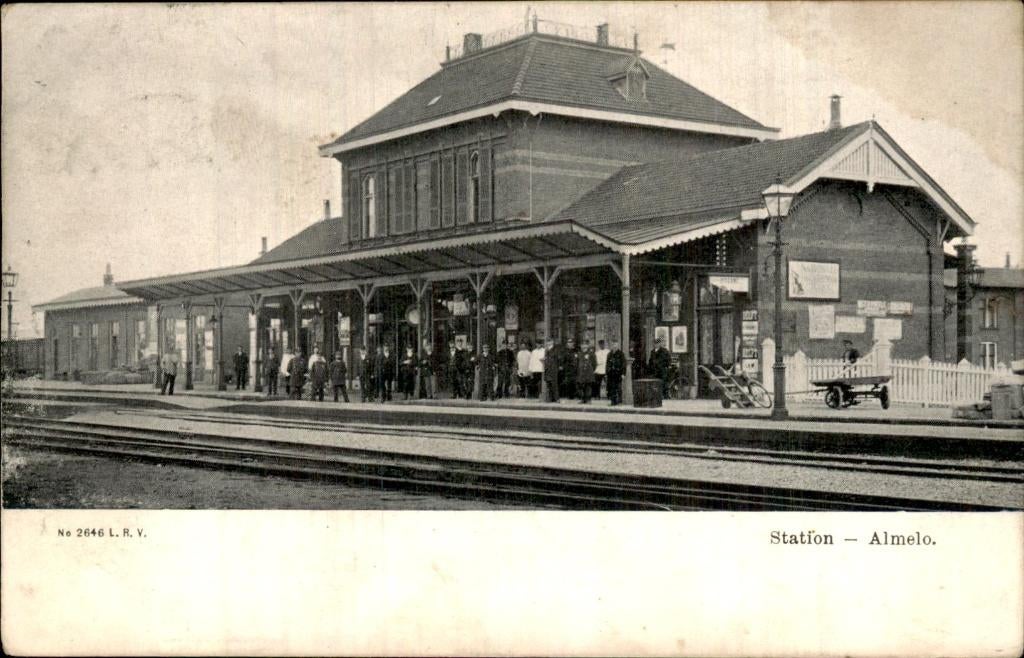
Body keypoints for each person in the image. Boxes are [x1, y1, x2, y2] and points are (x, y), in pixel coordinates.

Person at [577, 340, 597, 404]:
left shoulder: (591, 353)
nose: (583, 346)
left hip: (588, 373)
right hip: (581, 373)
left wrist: (591, 370)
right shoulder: (579, 354)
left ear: (587, 346)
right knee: (581, 386)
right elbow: (577, 363)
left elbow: (594, 363)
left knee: (588, 386)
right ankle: (583, 399)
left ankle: (588, 399)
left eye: (585, 345)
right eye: (582, 345)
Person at [606, 339, 625, 406]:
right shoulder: (609, 354)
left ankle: (619, 401)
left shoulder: (621, 354)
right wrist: (606, 373)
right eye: (613, 344)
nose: (614, 346)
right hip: (611, 374)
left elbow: (623, 364)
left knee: (618, 388)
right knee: (612, 388)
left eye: (615, 344)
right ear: (611, 345)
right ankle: (613, 402)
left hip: (618, 373)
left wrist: (623, 373)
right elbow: (607, 364)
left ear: (618, 345)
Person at [542, 338, 561, 402]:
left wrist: (546, 359)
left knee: (554, 384)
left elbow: (556, 358)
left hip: (553, 368)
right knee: (549, 384)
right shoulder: (547, 350)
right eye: (547, 342)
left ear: (552, 342)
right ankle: (550, 398)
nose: (548, 343)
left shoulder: (555, 349)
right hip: (547, 368)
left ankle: (556, 398)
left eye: (549, 342)